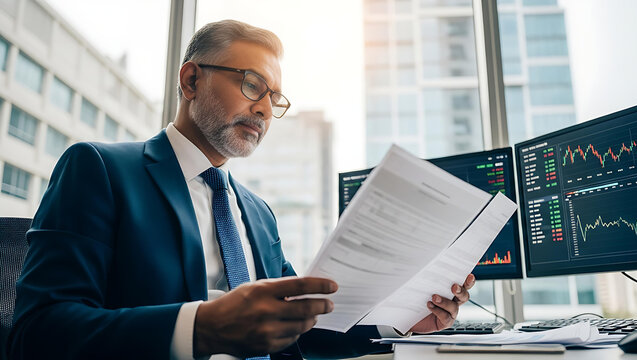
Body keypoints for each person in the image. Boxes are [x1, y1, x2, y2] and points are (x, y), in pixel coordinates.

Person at [8, 20, 475, 359]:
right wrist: (199, 328)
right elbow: (38, 331)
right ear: (191, 79)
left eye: (275, 98)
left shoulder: (257, 212)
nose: (266, 110)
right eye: (253, 85)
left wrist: (401, 323)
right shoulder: (100, 170)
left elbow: (299, 330)